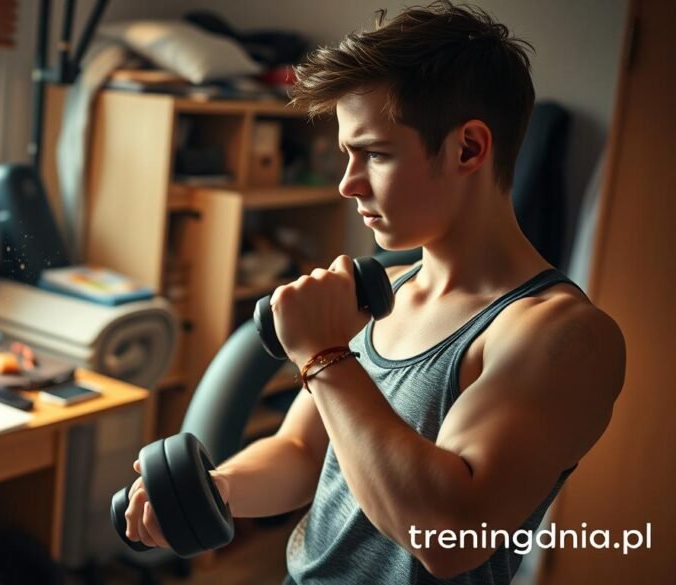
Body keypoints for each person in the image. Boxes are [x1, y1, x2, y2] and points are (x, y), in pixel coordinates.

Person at [123, 1, 627, 583]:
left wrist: (325, 357)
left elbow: (449, 539)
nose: (347, 183)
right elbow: (304, 453)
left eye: (376, 154)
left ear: (469, 148)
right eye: (347, 154)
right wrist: (217, 490)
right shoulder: (381, 292)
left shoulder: (559, 335)